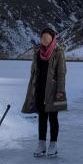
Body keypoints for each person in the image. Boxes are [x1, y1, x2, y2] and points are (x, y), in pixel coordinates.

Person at [21, 27, 67, 157]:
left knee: (53, 117)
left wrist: (60, 90)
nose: (45, 40)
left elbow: (61, 73)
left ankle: (53, 144)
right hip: (39, 89)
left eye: (48, 38)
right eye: (43, 38)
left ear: (52, 39)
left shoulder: (58, 52)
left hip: (53, 91)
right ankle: (41, 144)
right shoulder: (37, 53)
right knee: (42, 117)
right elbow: (34, 72)